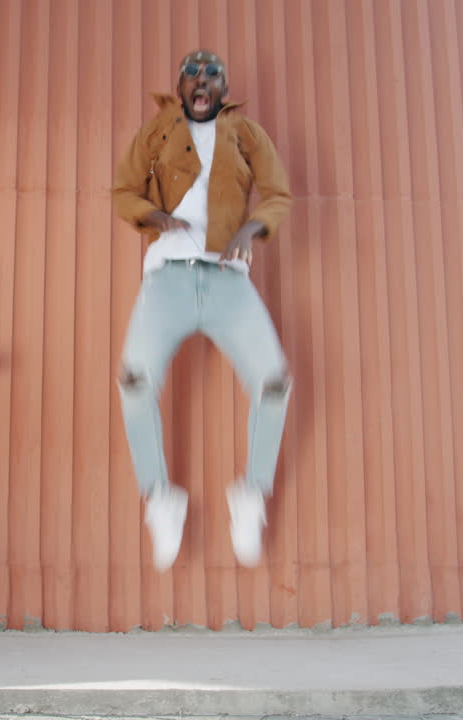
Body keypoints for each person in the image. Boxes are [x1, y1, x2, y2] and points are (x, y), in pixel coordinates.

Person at [111, 50, 293, 570]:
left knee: (274, 381)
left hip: (227, 280)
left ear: (223, 89)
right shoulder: (158, 131)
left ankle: (251, 494)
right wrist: (153, 216)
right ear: (180, 82)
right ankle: (160, 498)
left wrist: (251, 228)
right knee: (134, 380)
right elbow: (124, 189)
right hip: (167, 277)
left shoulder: (247, 134)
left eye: (213, 72)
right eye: (193, 70)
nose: (202, 78)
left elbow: (278, 194)